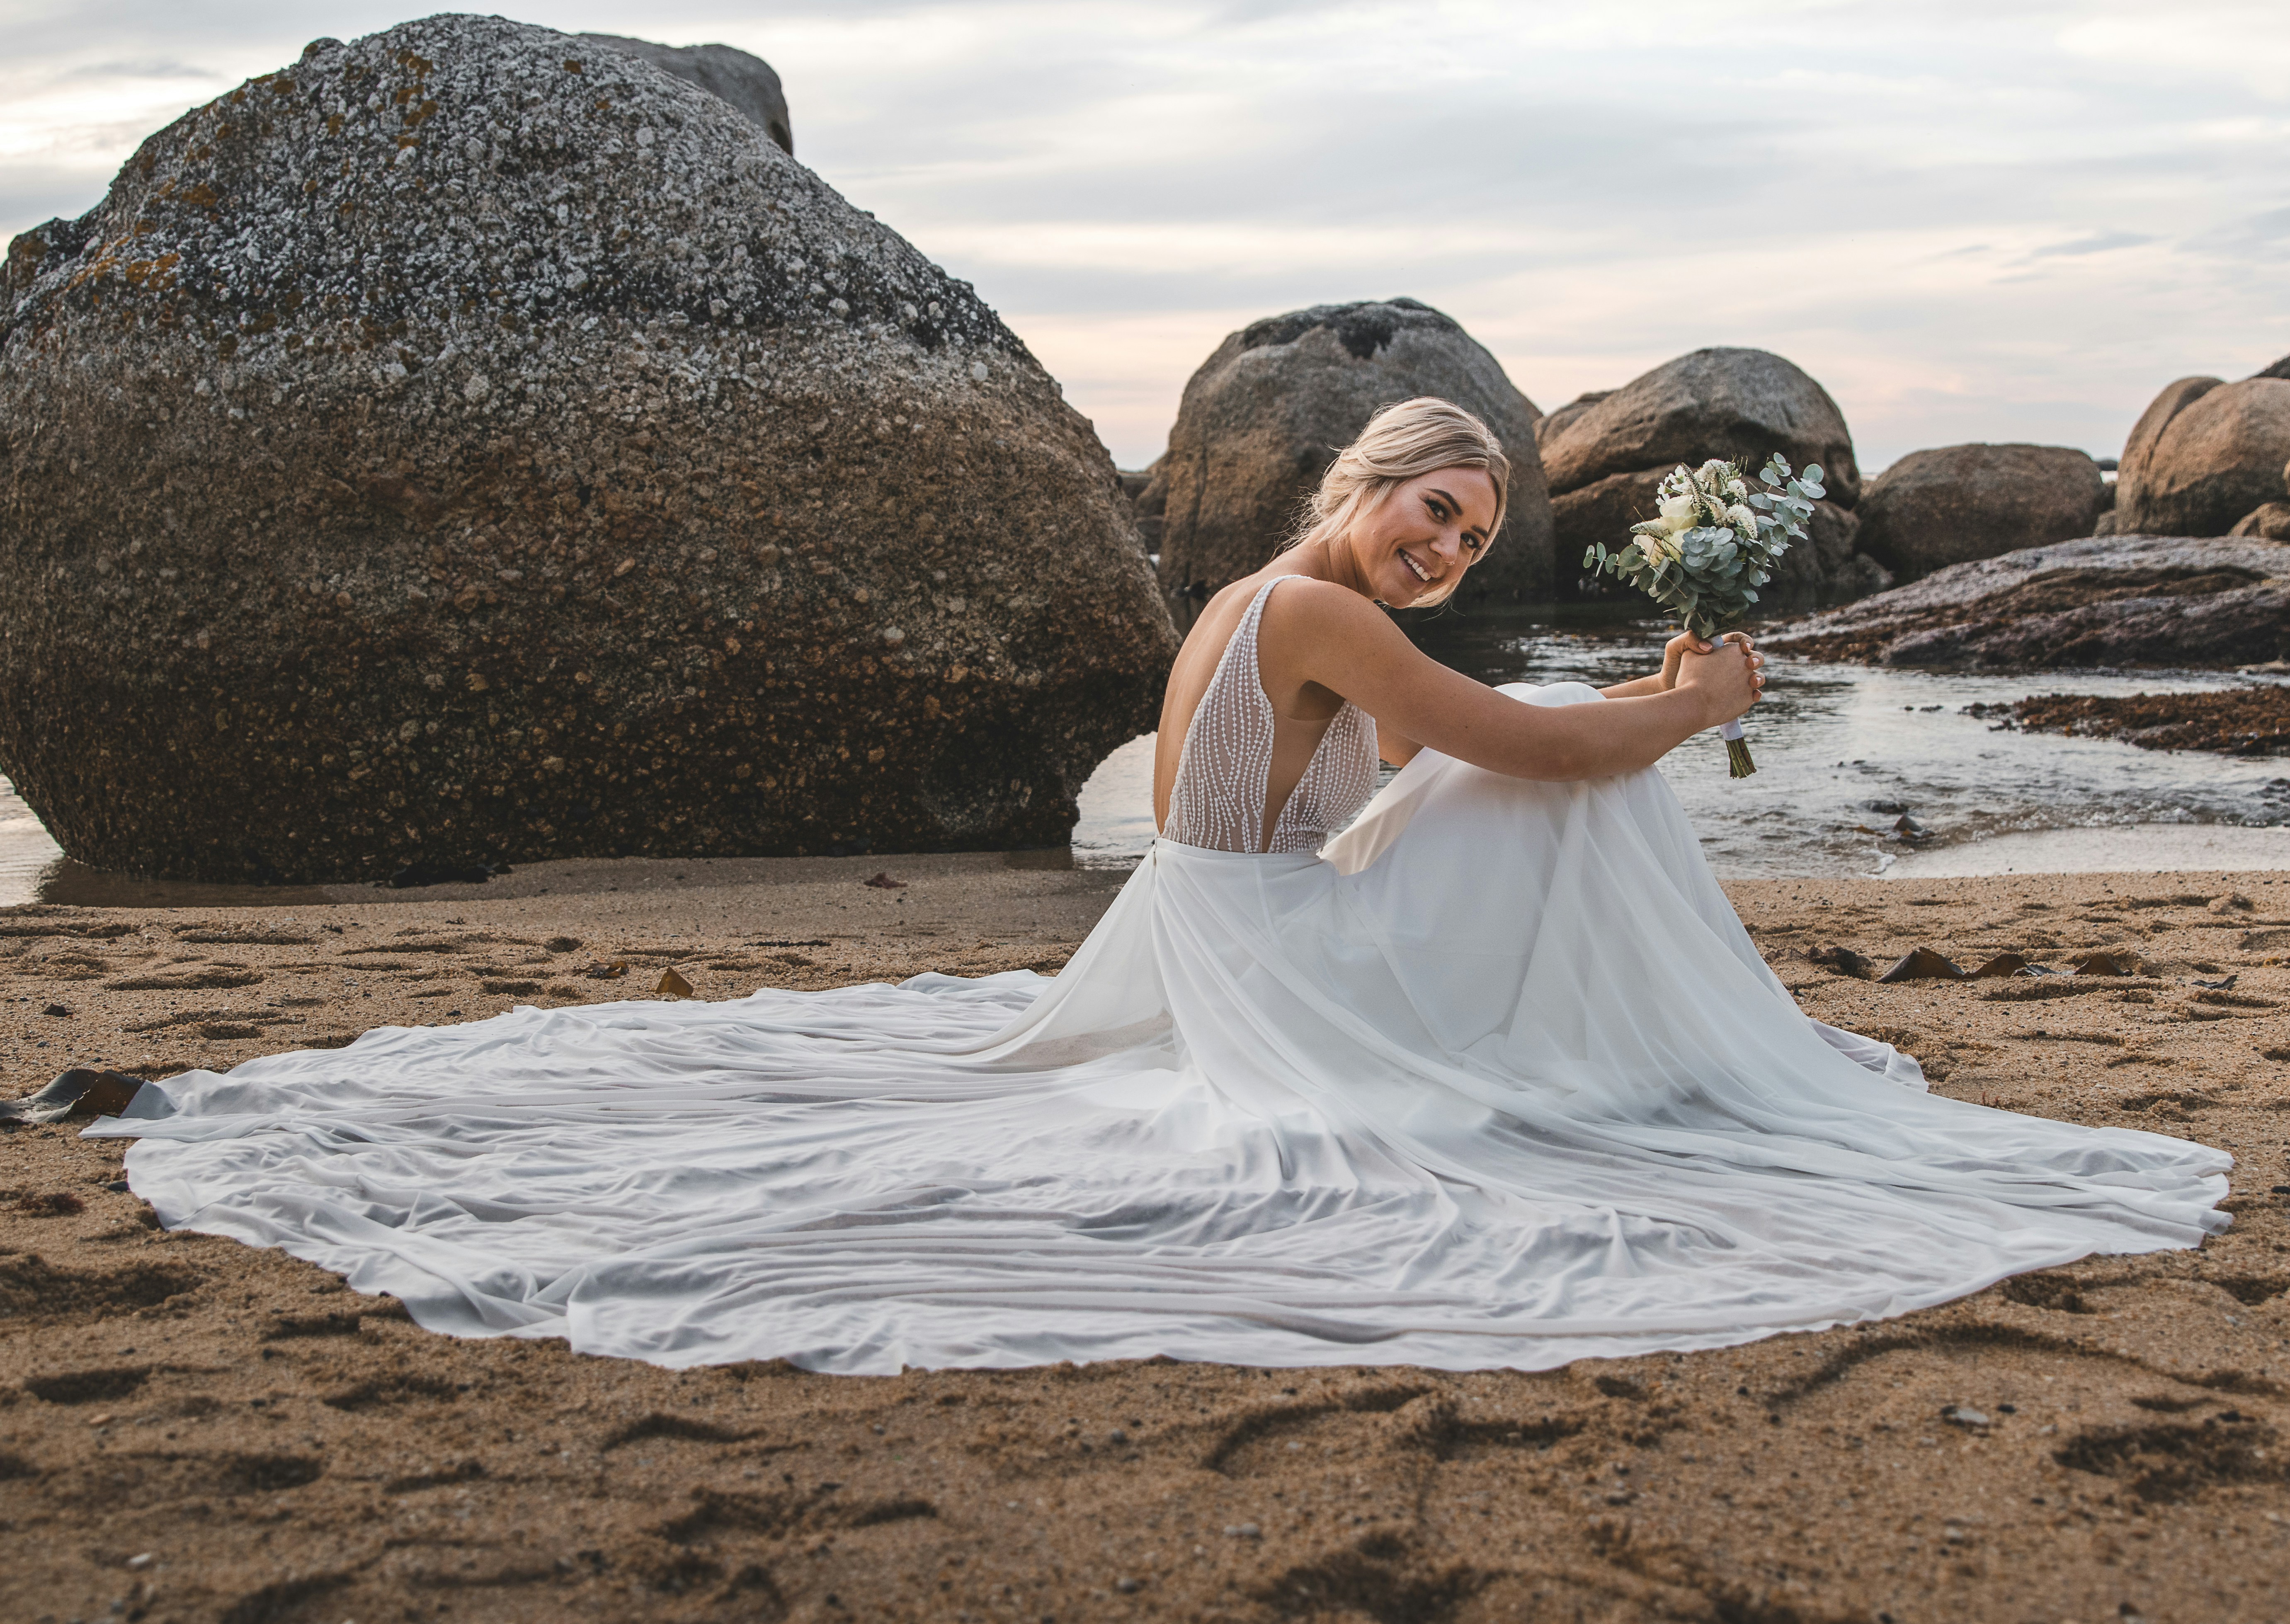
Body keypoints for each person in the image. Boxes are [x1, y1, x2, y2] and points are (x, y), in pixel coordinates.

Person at [92, 398, 2228, 1374]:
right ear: (1358, 491)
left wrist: (1635, 707)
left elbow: (1423, 764)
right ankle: (1655, 1054)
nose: (1448, 547)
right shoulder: (1320, 609)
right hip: (1280, 971)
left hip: (1244, 935)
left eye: (1477, 535)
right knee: (1601, 779)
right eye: (1431, 511)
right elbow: (1535, 754)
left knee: (1591, 760)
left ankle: (1634, 1038)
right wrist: (1700, 707)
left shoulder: (1261, 603)